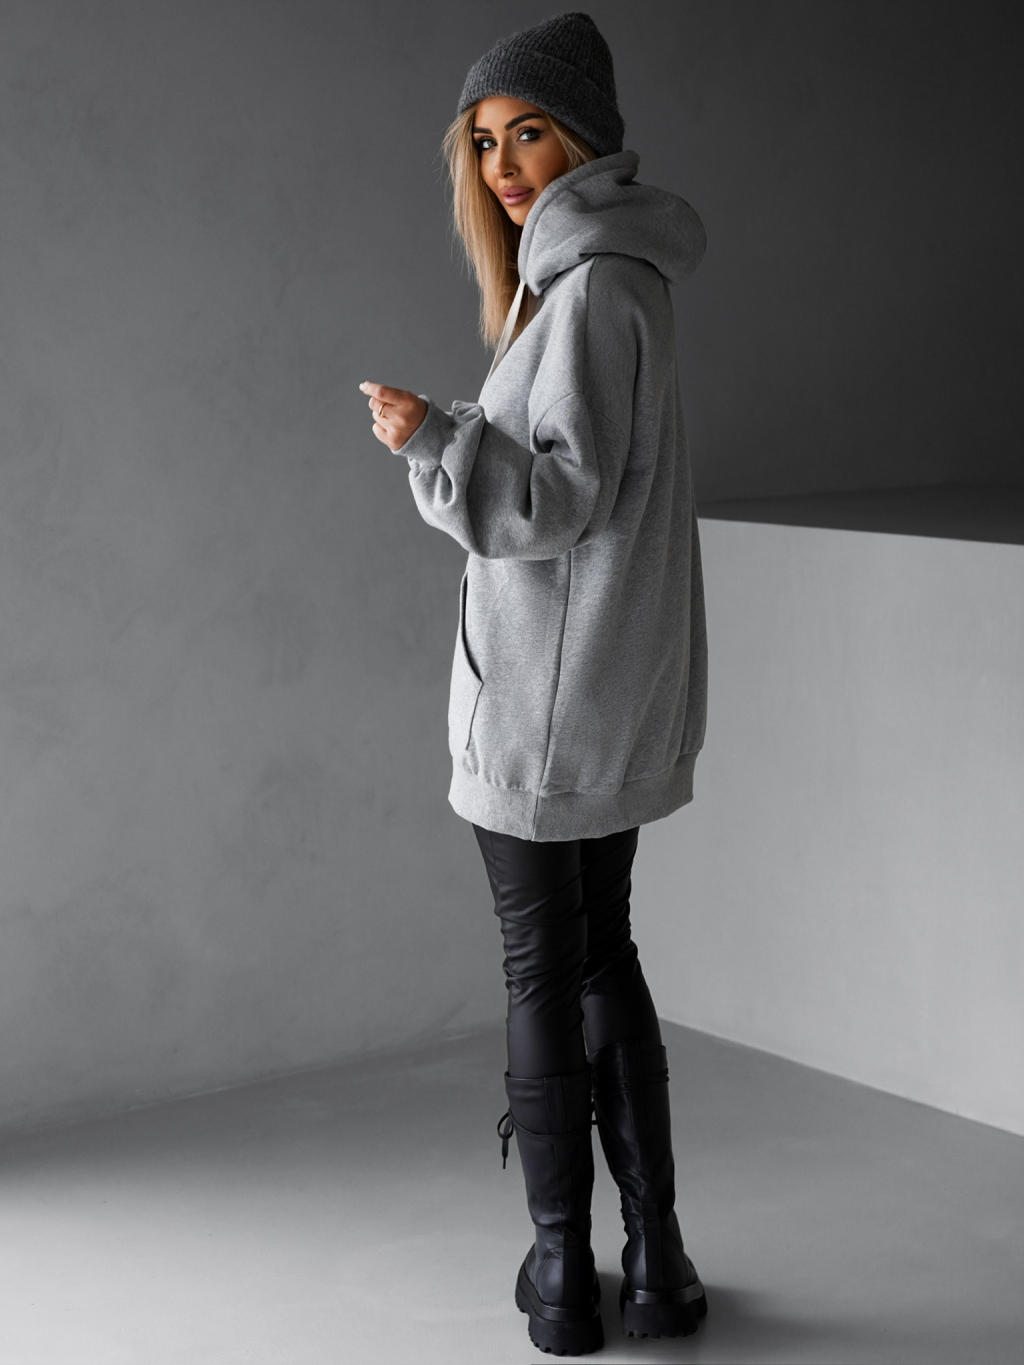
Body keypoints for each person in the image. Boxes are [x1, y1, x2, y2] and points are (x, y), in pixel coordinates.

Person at [359, 11, 708, 1355]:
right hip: (605, 692)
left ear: (587, 139)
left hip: (541, 708)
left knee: (540, 969)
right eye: (486, 141)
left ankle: (565, 1269)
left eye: (530, 134)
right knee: (603, 949)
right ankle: (657, 1257)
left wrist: (432, 440)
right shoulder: (619, 279)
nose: (503, 166)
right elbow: (596, 483)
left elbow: (550, 505)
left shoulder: (586, 291)